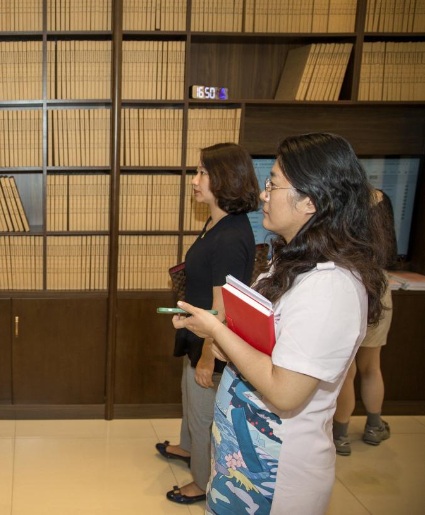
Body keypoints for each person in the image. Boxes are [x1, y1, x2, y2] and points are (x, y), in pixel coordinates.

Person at [173, 133, 389, 515]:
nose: (263, 195)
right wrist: (223, 340)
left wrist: (216, 331)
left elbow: (286, 392)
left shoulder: (331, 287)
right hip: (243, 460)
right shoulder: (291, 262)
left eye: (273, 184)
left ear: (310, 201)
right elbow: (259, 346)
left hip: (276, 474)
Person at [157, 143, 260, 505]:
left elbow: (223, 310)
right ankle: (187, 449)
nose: (194, 180)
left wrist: (207, 356)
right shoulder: (216, 222)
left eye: (202, 172)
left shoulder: (231, 236)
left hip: (211, 341)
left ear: (225, 178)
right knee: (189, 397)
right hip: (196, 329)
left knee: (203, 413)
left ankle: (202, 482)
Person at [333, 188, 397, 455]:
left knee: (346, 372)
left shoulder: (342, 200)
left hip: (347, 285)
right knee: (371, 367)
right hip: (378, 287)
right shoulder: (381, 201)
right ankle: (373, 426)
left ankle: (340, 435)